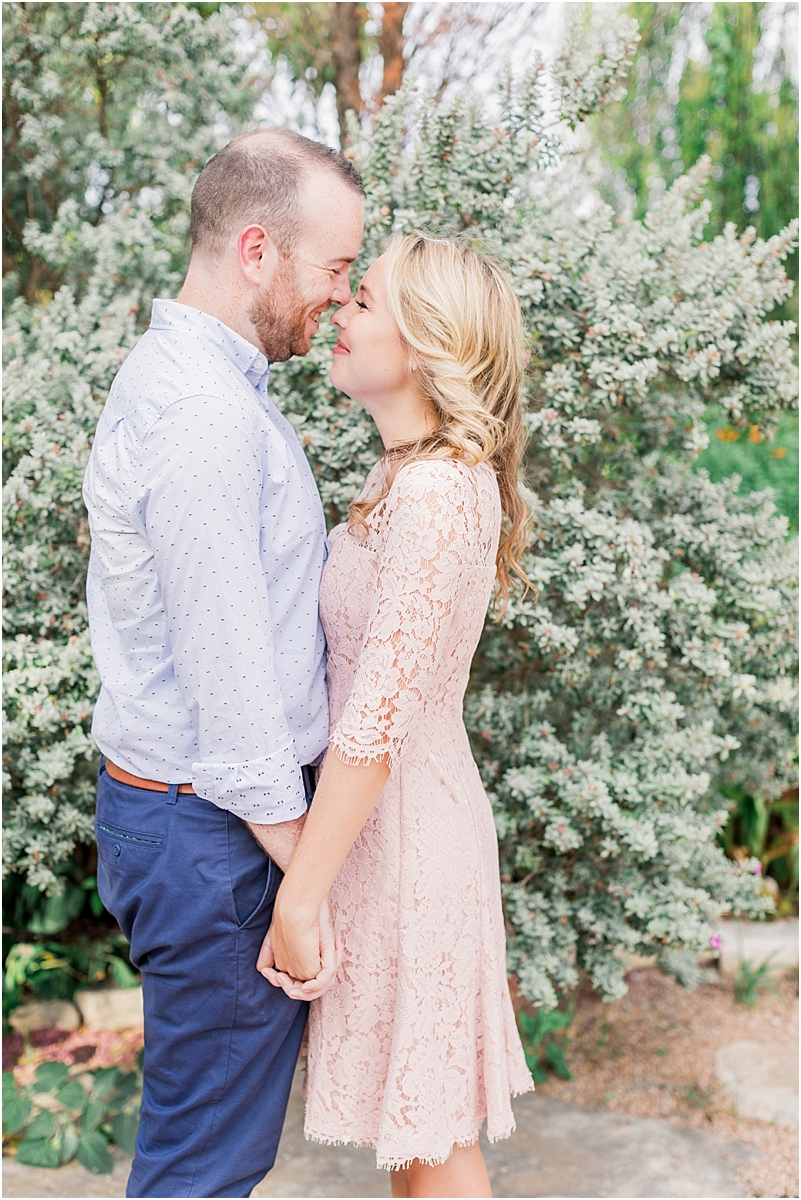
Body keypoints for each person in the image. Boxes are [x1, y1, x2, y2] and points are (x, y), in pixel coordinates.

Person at [82, 129, 364, 1198]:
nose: (338, 297)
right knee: (203, 1170)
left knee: (208, 1156)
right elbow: (231, 682)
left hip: (190, 821)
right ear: (257, 249)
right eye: (333, 269)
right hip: (217, 833)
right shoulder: (205, 414)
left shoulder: (194, 383)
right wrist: (308, 874)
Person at [261, 234, 535, 1199]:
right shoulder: (406, 480)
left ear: (421, 345)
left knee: (432, 1148)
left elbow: (374, 724)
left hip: (410, 840)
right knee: (415, 1149)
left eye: (363, 301)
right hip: (378, 839)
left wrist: (300, 898)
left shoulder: (435, 494)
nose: (340, 311)